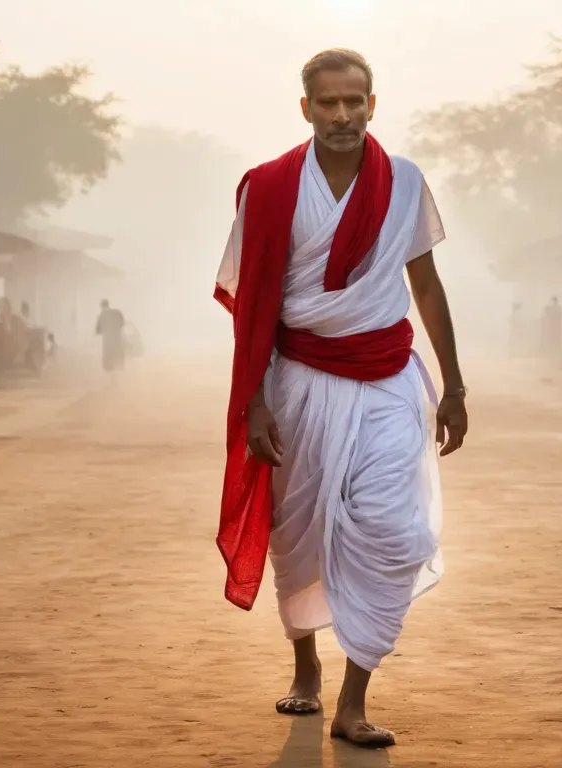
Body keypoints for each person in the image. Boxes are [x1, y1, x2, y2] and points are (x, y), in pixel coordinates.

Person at [213, 48, 467, 749]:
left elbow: (427, 287)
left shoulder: (406, 182)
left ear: (373, 105)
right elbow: (253, 302)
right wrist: (255, 400)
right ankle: (306, 674)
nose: (342, 114)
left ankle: (354, 702)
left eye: (354, 101)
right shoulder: (267, 189)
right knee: (297, 536)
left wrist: (454, 384)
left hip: (387, 377)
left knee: (395, 532)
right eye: (328, 103)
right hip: (296, 380)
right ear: (306, 109)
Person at [95, 300, 125, 376]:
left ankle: (113, 381)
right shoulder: (116, 313)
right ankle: (119, 380)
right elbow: (122, 323)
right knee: (117, 358)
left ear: (102, 306)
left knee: (109, 361)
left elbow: (98, 330)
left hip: (108, 341)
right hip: (117, 339)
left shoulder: (102, 315)